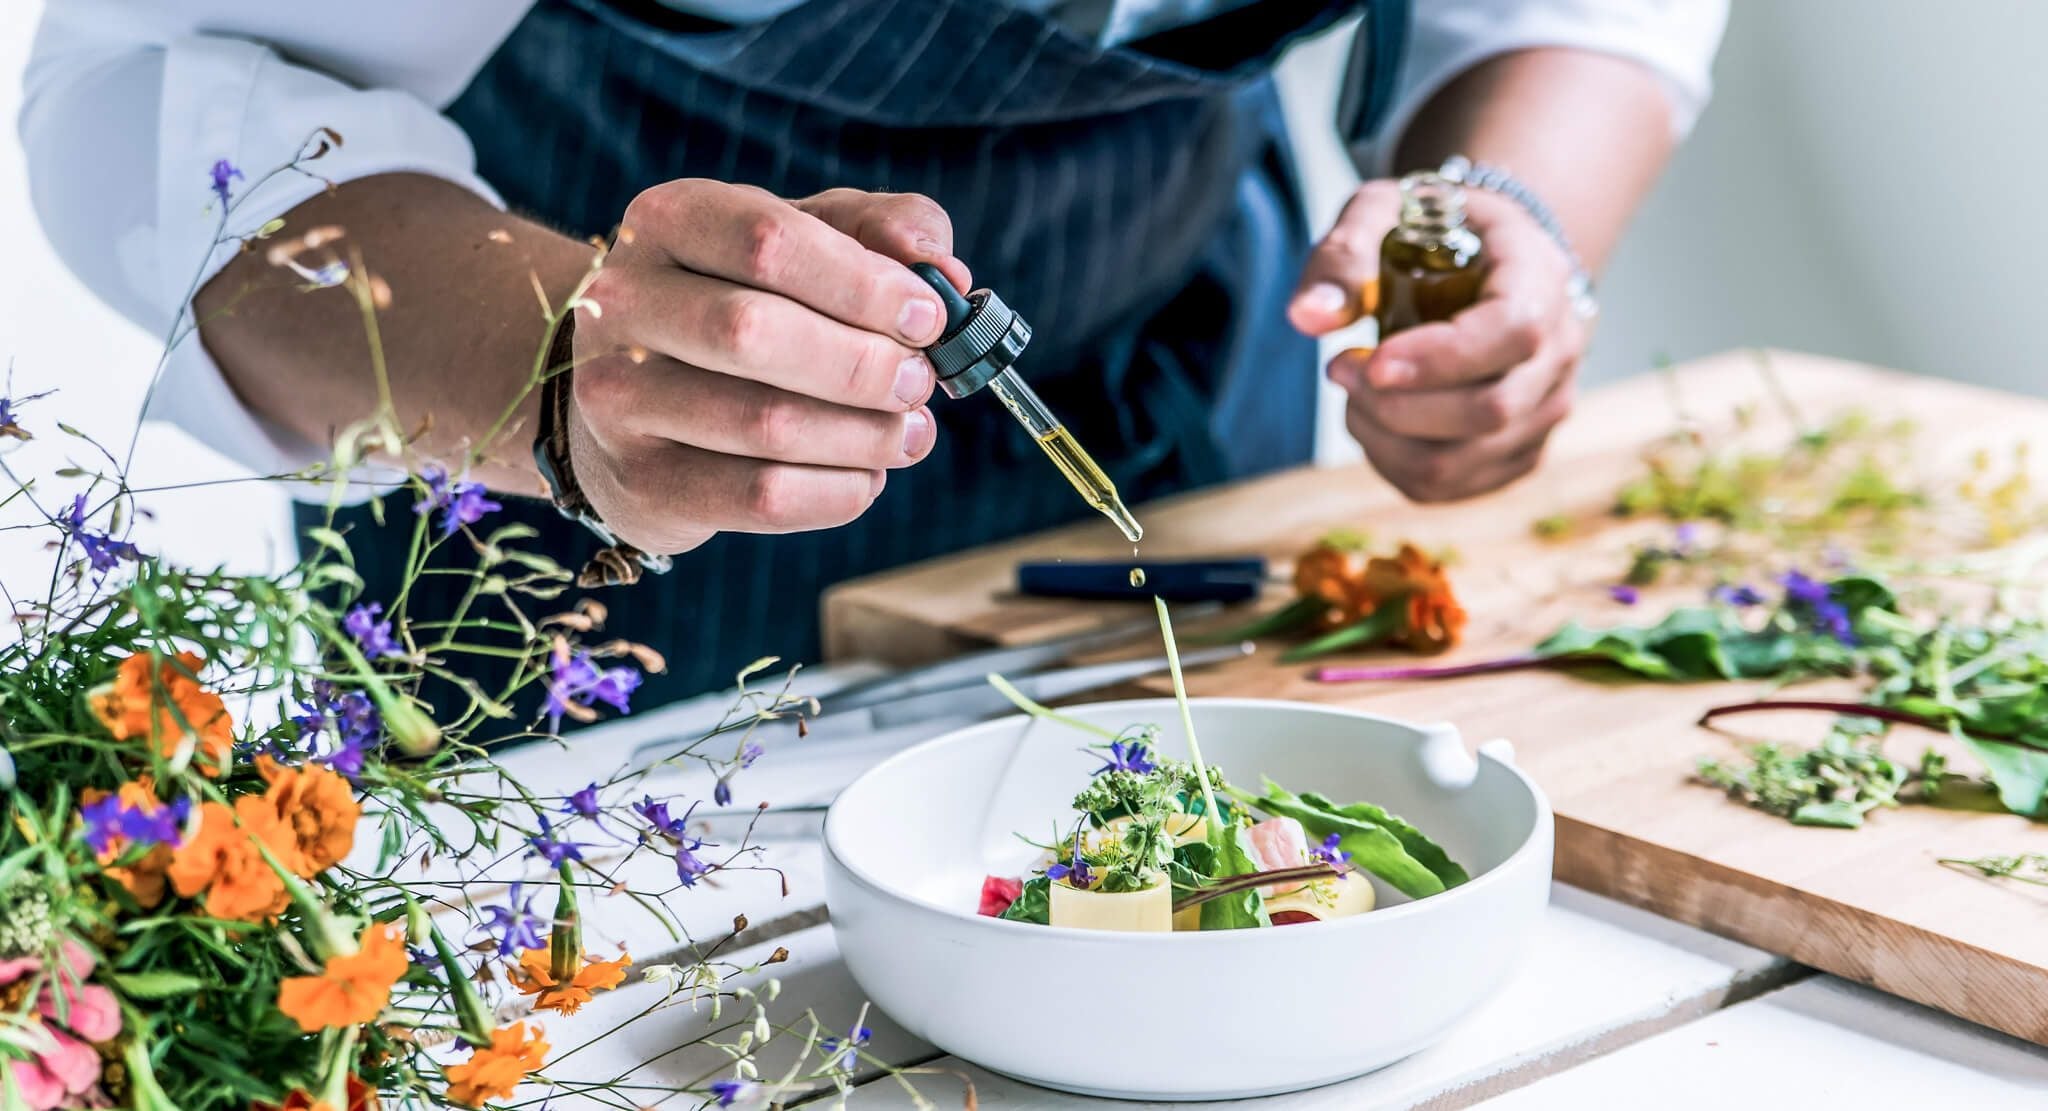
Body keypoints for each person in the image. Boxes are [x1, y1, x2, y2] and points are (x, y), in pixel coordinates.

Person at [23, 0, 1726, 706]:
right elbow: (165, 81)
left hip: (1186, 364)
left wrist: (1504, 218)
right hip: (558, 457)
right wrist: (569, 368)